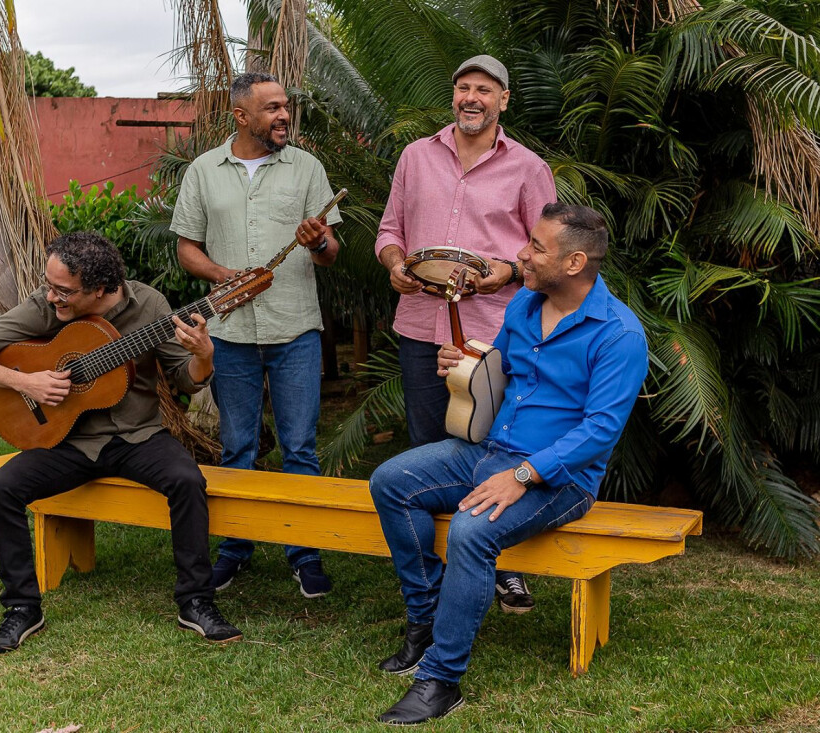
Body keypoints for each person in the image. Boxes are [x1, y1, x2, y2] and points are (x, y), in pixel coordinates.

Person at [369, 203, 649, 724]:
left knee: (472, 532)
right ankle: (425, 620)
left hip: (560, 480)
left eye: (537, 247)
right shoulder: (523, 303)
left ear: (574, 263)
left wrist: (523, 475)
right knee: (391, 481)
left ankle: (441, 679)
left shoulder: (619, 335)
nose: (521, 253)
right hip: (488, 451)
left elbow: (600, 431)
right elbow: (498, 372)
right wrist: (465, 367)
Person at [0, 231, 242, 654]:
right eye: (50, 286)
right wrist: (25, 380)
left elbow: (184, 379)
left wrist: (204, 356)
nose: (51, 297)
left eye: (63, 291)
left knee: (187, 481)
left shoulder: (149, 306)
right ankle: (22, 609)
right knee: (1, 489)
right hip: (67, 440)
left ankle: (195, 601)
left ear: (101, 289)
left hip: (137, 437)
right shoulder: (46, 308)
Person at [375, 54, 557, 614]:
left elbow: (543, 250)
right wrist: (394, 263)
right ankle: (429, 577)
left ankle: (497, 563)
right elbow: (389, 229)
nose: (470, 98)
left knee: (493, 444)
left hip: (493, 332)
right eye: (462, 88)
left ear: (503, 100)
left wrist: (504, 271)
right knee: (428, 445)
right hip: (421, 328)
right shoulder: (415, 157)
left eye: (484, 89)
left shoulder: (528, 167)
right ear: (452, 96)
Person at [171, 71, 342, 599]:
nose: (284, 115)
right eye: (271, 108)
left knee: (299, 447)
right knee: (238, 446)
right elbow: (186, 248)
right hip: (230, 333)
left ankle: (305, 553)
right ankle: (236, 549)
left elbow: (331, 252)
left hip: (295, 330)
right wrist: (224, 277)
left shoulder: (307, 168)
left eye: (286, 106)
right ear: (241, 116)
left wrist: (317, 242)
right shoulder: (204, 172)